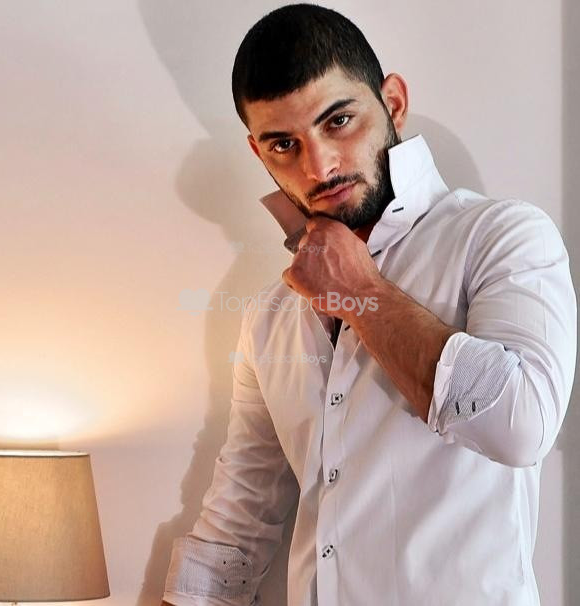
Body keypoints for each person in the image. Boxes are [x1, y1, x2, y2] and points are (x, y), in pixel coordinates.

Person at [161, 4, 576, 605]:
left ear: (393, 102)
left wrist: (360, 292)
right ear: (258, 153)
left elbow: (522, 426)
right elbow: (241, 516)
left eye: (338, 121)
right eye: (284, 144)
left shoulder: (502, 236)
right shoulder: (271, 314)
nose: (319, 166)